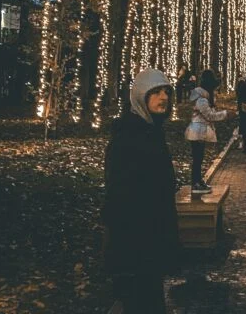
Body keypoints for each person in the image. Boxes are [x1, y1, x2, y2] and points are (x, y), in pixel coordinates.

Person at [102, 68, 178, 314]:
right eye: (155, 92)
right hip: (136, 244)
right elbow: (120, 195)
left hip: (150, 240)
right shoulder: (129, 137)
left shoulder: (152, 131)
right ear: (140, 97)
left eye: (166, 91)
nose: (163, 97)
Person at [185, 69, 227, 194]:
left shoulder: (202, 98)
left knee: (199, 157)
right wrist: (225, 114)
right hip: (197, 131)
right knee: (197, 158)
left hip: (199, 131)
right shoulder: (201, 99)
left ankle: (198, 181)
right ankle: (195, 183)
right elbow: (209, 116)